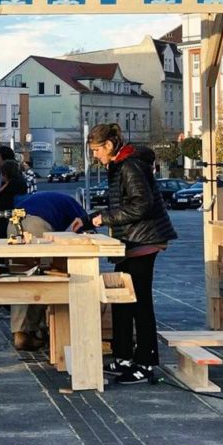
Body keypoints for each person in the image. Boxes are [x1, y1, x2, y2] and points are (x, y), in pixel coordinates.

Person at [87, 123, 176, 384]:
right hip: (131, 241)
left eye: (96, 150)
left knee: (139, 302)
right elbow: (124, 204)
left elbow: (142, 204)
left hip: (144, 240)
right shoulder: (120, 165)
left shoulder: (130, 165)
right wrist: (92, 217)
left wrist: (104, 218)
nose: (95, 156)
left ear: (109, 145)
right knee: (120, 298)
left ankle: (146, 362)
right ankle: (123, 356)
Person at [4, 188, 87, 351]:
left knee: (21, 278)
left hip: (14, 222)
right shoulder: (75, 208)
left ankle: (19, 332)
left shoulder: (47, 198)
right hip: (37, 225)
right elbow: (84, 233)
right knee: (46, 278)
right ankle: (38, 330)